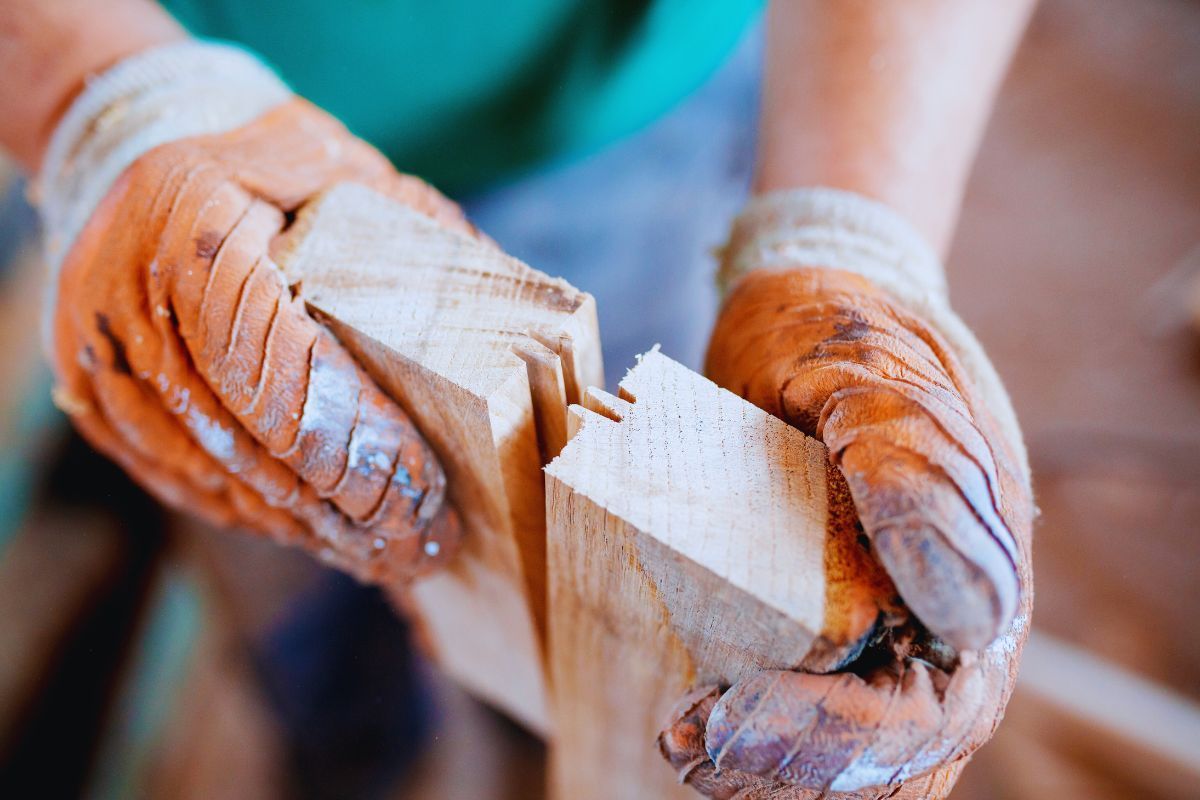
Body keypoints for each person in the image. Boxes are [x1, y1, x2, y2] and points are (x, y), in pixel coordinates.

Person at [0, 1, 1036, 796]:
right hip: (179, 121)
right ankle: (359, 755)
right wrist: (86, 90)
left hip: (628, 111)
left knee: (690, 581)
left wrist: (852, 232)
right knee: (296, 553)